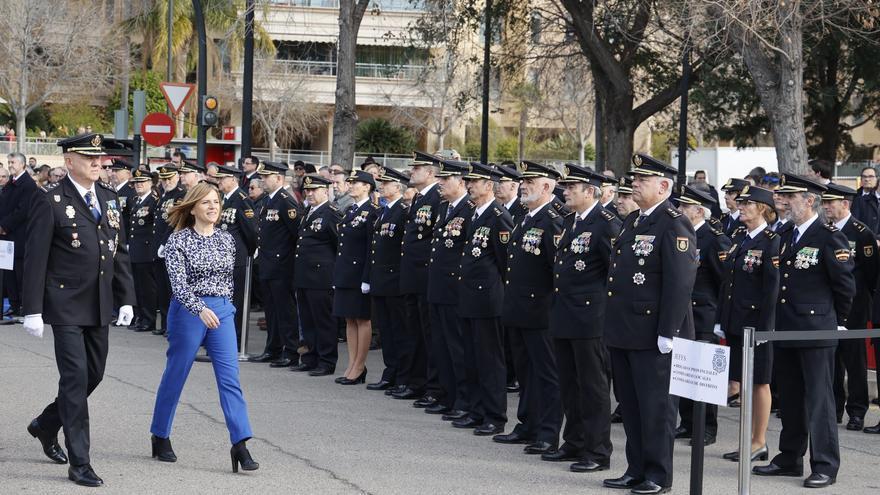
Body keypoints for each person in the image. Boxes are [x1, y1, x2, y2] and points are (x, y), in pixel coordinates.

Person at [22, 133, 136, 487]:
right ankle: (80, 462)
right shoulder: (51, 200)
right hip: (64, 303)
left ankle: (45, 424)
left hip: (99, 302)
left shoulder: (110, 198)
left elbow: (118, 251)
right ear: (69, 161)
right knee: (74, 380)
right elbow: (36, 257)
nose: (98, 163)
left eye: (99, 158)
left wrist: (127, 297)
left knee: (93, 376)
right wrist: (32, 310)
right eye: (89, 158)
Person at [602, 154, 697, 494]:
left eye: (642, 180)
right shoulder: (633, 221)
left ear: (663, 186)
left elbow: (680, 283)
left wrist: (668, 332)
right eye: (634, 179)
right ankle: (636, 468)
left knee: (656, 409)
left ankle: (657, 475)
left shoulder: (674, 224)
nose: (634, 185)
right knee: (630, 406)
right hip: (626, 330)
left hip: (653, 333)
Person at [753, 174, 855, 489]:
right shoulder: (784, 233)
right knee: (792, 398)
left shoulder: (828, 236)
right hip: (786, 328)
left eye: (790, 197)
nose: (782, 201)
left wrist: (839, 320)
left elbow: (844, 284)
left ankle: (824, 464)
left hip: (815, 328)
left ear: (809, 201)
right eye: (781, 196)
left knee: (820, 400)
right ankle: (789, 458)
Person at [149, 182, 259, 473]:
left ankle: (240, 443)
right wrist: (200, 309)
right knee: (177, 373)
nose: (213, 207)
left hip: (221, 311)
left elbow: (228, 281)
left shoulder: (226, 240)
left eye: (216, 203)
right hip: (188, 311)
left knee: (230, 378)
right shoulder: (178, 241)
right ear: (193, 207)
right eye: (206, 203)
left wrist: (226, 309)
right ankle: (160, 435)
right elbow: (179, 285)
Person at [545, 164, 620, 472]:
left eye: (572, 189)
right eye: (565, 188)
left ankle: (597, 450)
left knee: (593, 388)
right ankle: (574, 441)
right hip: (566, 314)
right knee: (570, 385)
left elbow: (614, 275)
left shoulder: (605, 224)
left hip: (591, 318)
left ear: (590, 192)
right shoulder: (571, 221)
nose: (565, 192)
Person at [493, 160, 564, 456]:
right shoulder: (526, 217)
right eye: (523, 182)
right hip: (520, 309)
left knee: (546, 375)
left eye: (530, 182)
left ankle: (547, 432)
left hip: (541, 312)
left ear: (547, 187)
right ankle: (527, 424)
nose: (523, 186)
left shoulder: (552, 220)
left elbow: (557, 272)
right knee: (525, 373)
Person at [714, 185, 779, 463]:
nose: (740, 206)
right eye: (739, 202)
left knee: (759, 382)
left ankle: (759, 441)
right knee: (744, 381)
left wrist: (766, 328)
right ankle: (747, 440)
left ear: (762, 208)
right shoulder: (740, 237)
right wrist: (721, 318)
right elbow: (727, 281)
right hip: (736, 321)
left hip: (756, 324)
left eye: (747, 203)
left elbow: (772, 289)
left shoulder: (771, 240)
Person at [456, 162, 514, 434]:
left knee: (490, 360)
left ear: (488, 186)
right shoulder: (475, 214)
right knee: (473, 357)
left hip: (488, 300)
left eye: (475, 182)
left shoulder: (498, 216)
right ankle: (476, 410)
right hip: (469, 297)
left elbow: (504, 264)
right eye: (468, 182)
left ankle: (494, 416)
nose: (469, 186)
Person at [673, 185, 731, 447]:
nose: (679, 210)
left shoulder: (713, 238)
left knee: (706, 377)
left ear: (699, 211)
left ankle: (707, 427)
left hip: (704, 314)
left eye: (685, 206)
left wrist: (719, 317)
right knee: (684, 372)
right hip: (683, 314)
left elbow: (724, 282)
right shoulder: (681, 233)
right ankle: (687, 422)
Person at [822, 183, 877, 432]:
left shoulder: (861, 233)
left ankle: (857, 411)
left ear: (845, 204)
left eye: (830, 203)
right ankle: (833, 409)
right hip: (830, 306)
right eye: (824, 203)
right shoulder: (825, 231)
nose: (826, 208)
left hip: (854, 309)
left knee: (855, 362)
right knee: (832, 361)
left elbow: (871, 275)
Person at [393, 152, 443, 402]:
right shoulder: (419, 197)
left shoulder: (437, 197)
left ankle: (432, 387)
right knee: (413, 331)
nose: (412, 171)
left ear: (431, 172)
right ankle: (415, 381)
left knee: (429, 334)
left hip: (425, 274)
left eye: (418, 168)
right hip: (412, 274)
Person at [425, 159, 474, 414]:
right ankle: (447, 395)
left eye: (446, 179)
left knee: (457, 347)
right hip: (439, 288)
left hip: (455, 289)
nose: (441, 183)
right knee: (441, 345)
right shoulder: (444, 207)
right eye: (441, 179)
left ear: (462, 182)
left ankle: (463, 400)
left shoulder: (468, 209)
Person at [248, 161, 302, 367]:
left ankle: (291, 351)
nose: (262, 180)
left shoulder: (285, 201)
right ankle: (273, 348)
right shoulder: (270, 200)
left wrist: (285, 260)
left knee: (285, 311)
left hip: (282, 265)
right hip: (268, 263)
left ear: (278, 178)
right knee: (271, 310)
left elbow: (296, 234)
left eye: (266, 177)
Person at [331, 170, 380, 384]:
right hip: (346, 272)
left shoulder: (372, 212)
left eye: (355, 183)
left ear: (367, 187)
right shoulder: (351, 210)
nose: (351, 185)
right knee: (349, 319)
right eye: (350, 182)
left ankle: (360, 366)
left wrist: (367, 278)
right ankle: (352, 364)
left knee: (362, 319)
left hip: (360, 273)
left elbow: (371, 248)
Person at [292, 175, 342, 376]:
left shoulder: (331, 213)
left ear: (325, 191)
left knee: (324, 321)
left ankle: (326, 360)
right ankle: (310, 357)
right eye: (308, 190)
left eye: (314, 190)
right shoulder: (308, 212)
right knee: (308, 320)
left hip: (321, 276)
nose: (310, 194)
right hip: (305, 275)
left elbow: (339, 245)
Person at [365, 168, 409, 391]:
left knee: (399, 331)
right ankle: (390, 372)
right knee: (387, 331)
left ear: (398, 187)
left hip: (395, 280)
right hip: (381, 279)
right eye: (381, 183)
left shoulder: (403, 210)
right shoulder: (384, 211)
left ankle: (402, 376)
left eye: (386, 183)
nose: (381, 186)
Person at [215, 165, 258, 347]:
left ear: (233, 179)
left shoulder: (241, 199)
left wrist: (248, 252)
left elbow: (251, 231)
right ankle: (220, 339)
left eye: (222, 179)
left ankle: (235, 340)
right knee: (221, 300)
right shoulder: (224, 199)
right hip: (222, 258)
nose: (219, 182)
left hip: (236, 258)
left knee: (235, 302)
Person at [1, 152, 37, 316]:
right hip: (7, 235)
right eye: (9, 162)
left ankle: (22, 306)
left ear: (22, 164)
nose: (10, 165)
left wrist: (4, 226)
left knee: (20, 273)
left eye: (13, 162)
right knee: (9, 273)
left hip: (19, 236)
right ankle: (14, 304)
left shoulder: (27, 184)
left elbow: (23, 211)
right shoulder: (11, 183)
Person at [153, 164, 187, 336]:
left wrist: (166, 242)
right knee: (162, 289)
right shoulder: (163, 194)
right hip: (159, 246)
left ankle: (173, 325)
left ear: (177, 177)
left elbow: (176, 221)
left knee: (171, 288)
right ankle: (166, 325)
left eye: (169, 178)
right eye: (163, 179)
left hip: (171, 246)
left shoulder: (180, 194)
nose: (166, 181)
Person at [128, 168, 160, 332]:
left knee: (147, 288)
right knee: (137, 287)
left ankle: (149, 319)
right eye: (136, 182)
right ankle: (140, 317)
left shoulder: (154, 201)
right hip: (135, 249)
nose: (138, 185)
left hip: (147, 250)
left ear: (151, 183)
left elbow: (156, 227)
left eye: (142, 182)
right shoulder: (136, 200)